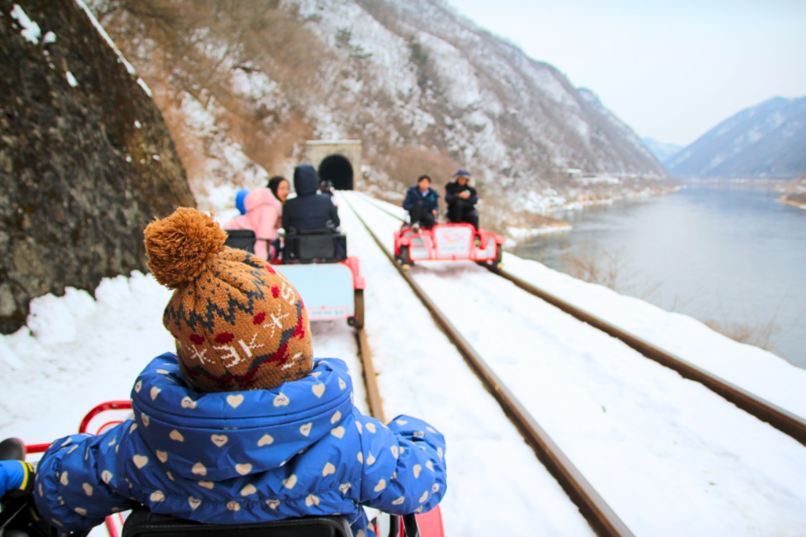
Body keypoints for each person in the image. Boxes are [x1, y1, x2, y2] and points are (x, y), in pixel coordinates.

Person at [16, 208, 446, 535]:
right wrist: (416, 432)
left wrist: (37, 475)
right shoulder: (351, 444)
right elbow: (419, 483)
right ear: (295, 349)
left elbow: (58, 493)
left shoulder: (137, 448)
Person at [283, 165, 340, 232]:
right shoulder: (326, 200)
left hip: (298, 241)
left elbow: (285, 226)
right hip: (325, 241)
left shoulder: (289, 204)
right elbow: (336, 222)